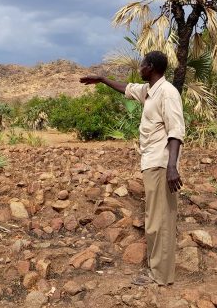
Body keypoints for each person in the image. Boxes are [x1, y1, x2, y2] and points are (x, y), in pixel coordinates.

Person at [79, 50, 185, 286]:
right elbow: (126, 88)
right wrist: (103, 80)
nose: (139, 68)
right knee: (154, 218)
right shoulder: (149, 91)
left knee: (161, 220)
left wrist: (172, 167)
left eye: (142, 64)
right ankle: (159, 271)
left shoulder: (167, 93)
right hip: (151, 163)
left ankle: (160, 275)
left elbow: (176, 130)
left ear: (151, 66)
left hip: (161, 164)